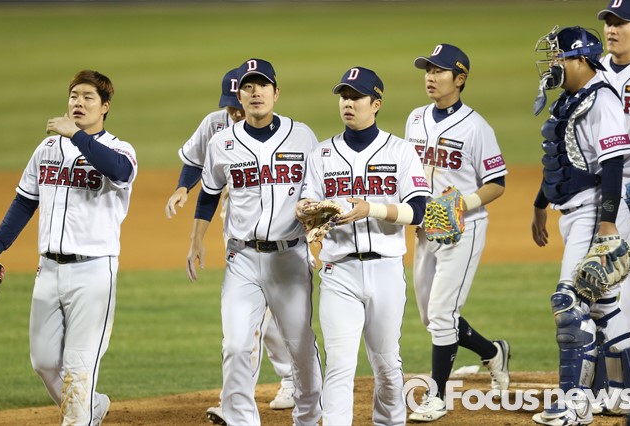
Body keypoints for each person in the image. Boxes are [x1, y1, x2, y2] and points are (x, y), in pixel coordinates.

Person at [0, 69, 137, 426]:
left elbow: (119, 171)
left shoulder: (119, 149)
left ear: (105, 106)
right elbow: (25, 201)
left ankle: (80, 418)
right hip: (47, 271)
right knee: (45, 362)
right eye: (74, 96)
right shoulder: (47, 149)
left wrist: (77, 136)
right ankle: (93, 407)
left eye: (88, 97)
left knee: (79, 367)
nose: (78, 102)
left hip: (93, 272)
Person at [186, 58, 322, 425]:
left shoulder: (302, 136)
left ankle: (309, 417)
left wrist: (316, 221)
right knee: (235, 345)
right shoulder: (222, 142)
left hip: (290, 258)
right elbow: (209, 194)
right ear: (240, 97)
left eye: (262, 85)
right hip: (242, 259)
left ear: (276, 93)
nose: (255, 92)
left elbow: (317, 190)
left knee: (300, 345)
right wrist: (196, 240)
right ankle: (242, 421)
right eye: (248, 86)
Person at [297, 66, 431, 425]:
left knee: (386, 363)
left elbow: (418, 211)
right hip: (338, 271)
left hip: (385, 270)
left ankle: (390, 421)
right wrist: (306, 211)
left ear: (376, 103)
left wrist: (370, 209)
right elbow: (307, 204)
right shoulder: (322, 154)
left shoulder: (401, 151)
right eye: (344, 96)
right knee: (340, 364)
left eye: (356, 97)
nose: (348, 103)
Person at [164, 68, 296, 424]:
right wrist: (182, 188)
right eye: (233, 107)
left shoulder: (278, 131)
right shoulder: (215, 125)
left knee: (260, 317)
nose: (238, 114)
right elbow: (195, 163)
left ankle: (236, 401)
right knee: (257, 316)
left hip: (275, 231)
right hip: (235, 226)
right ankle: (288, 378)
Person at [530, 26, 630, 425]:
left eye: (558, 57)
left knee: (569, 305)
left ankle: (574, 405)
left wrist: (607, 223)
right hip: (573, 211)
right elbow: (562, 160)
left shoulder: (602, 99)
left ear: (580, 59)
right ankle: (628, 393)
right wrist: (540, 204)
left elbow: (613, 163)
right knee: (604, 307)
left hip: (593, 211)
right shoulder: (571, 99)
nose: (552, 65)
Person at [404, 44, 510, 423]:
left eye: (439, 71)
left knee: (442, 313)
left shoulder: (476, 127)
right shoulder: (415, 119)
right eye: (428, 70)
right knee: (431, 317)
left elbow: (496, 183)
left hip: (463, 230)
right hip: (425, 229)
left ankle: (436, 396)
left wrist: (460, 204)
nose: (430, 77)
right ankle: (493, 352)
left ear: (460, 78)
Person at [597, 0, 630, 348]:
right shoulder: (594, 71)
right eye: (608, 23)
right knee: (595, 277)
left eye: (620, 23)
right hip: (601, 187)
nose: (612, 30)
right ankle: (599, 361)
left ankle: (624, 361)